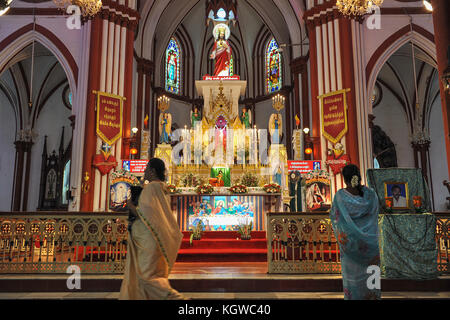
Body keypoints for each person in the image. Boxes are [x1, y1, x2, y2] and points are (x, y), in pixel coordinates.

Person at [119, 158, 185, 300]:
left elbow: (143, 213)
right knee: (150, 274)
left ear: (153, 171)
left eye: (147, 168)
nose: (144, 171)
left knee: (147, 276)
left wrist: (130, 205)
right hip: (153, 238)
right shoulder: (161, 187)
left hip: (149, 239)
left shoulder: (151, 188)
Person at [329, 164, 381, 300]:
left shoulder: (340, 197)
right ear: (359, 177)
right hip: (371, 244)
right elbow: (375, 214)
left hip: (351, 245)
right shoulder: (371, 195)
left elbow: (335, 218)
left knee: (353, 279)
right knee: (372, 277)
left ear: (345, 179)